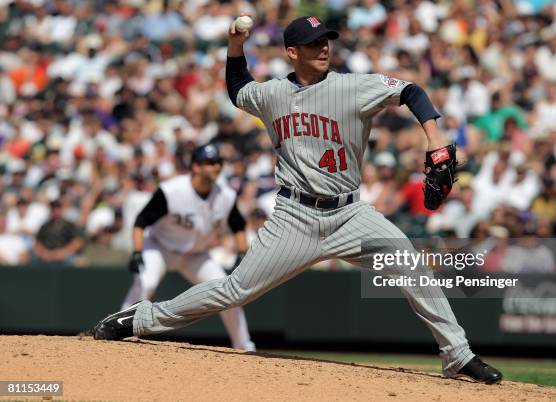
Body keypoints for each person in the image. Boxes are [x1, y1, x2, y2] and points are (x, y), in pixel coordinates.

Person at [91, 16, 502, 384]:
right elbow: (237, 90)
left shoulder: (353, 86)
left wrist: (434, 139)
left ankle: (457, 355)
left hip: (351, 214)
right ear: (292, 52)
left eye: (326, 41)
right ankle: (140, 317)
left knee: (410, 264)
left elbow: (412, 91)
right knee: (234, 291)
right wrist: (235, 45)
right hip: (295, 216)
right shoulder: (272, 95)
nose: (323, 48)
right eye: (312, 44)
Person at [119, 144, 255, 351]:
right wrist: (137, 251)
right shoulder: (172, 191)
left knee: (229, 293)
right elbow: (141, 220)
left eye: (218, 162)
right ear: (196, 167)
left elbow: (238, 225)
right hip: (159, 247)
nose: (216, 166)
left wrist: (242, 251)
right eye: (210, 163)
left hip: (196, 255)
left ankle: (244, 345)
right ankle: (118, 330)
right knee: (146, 283)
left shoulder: (225, 196)